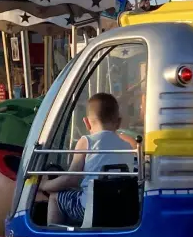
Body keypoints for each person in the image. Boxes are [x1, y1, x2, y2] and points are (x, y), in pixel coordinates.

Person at [38, 93, 137, 226]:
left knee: (56, 197)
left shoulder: (86, 141)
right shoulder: (127, 146)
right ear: (118, 122)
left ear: (86, 122)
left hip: (89, 210)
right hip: (120, 210)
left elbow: (71, 179)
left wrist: (44, 185)